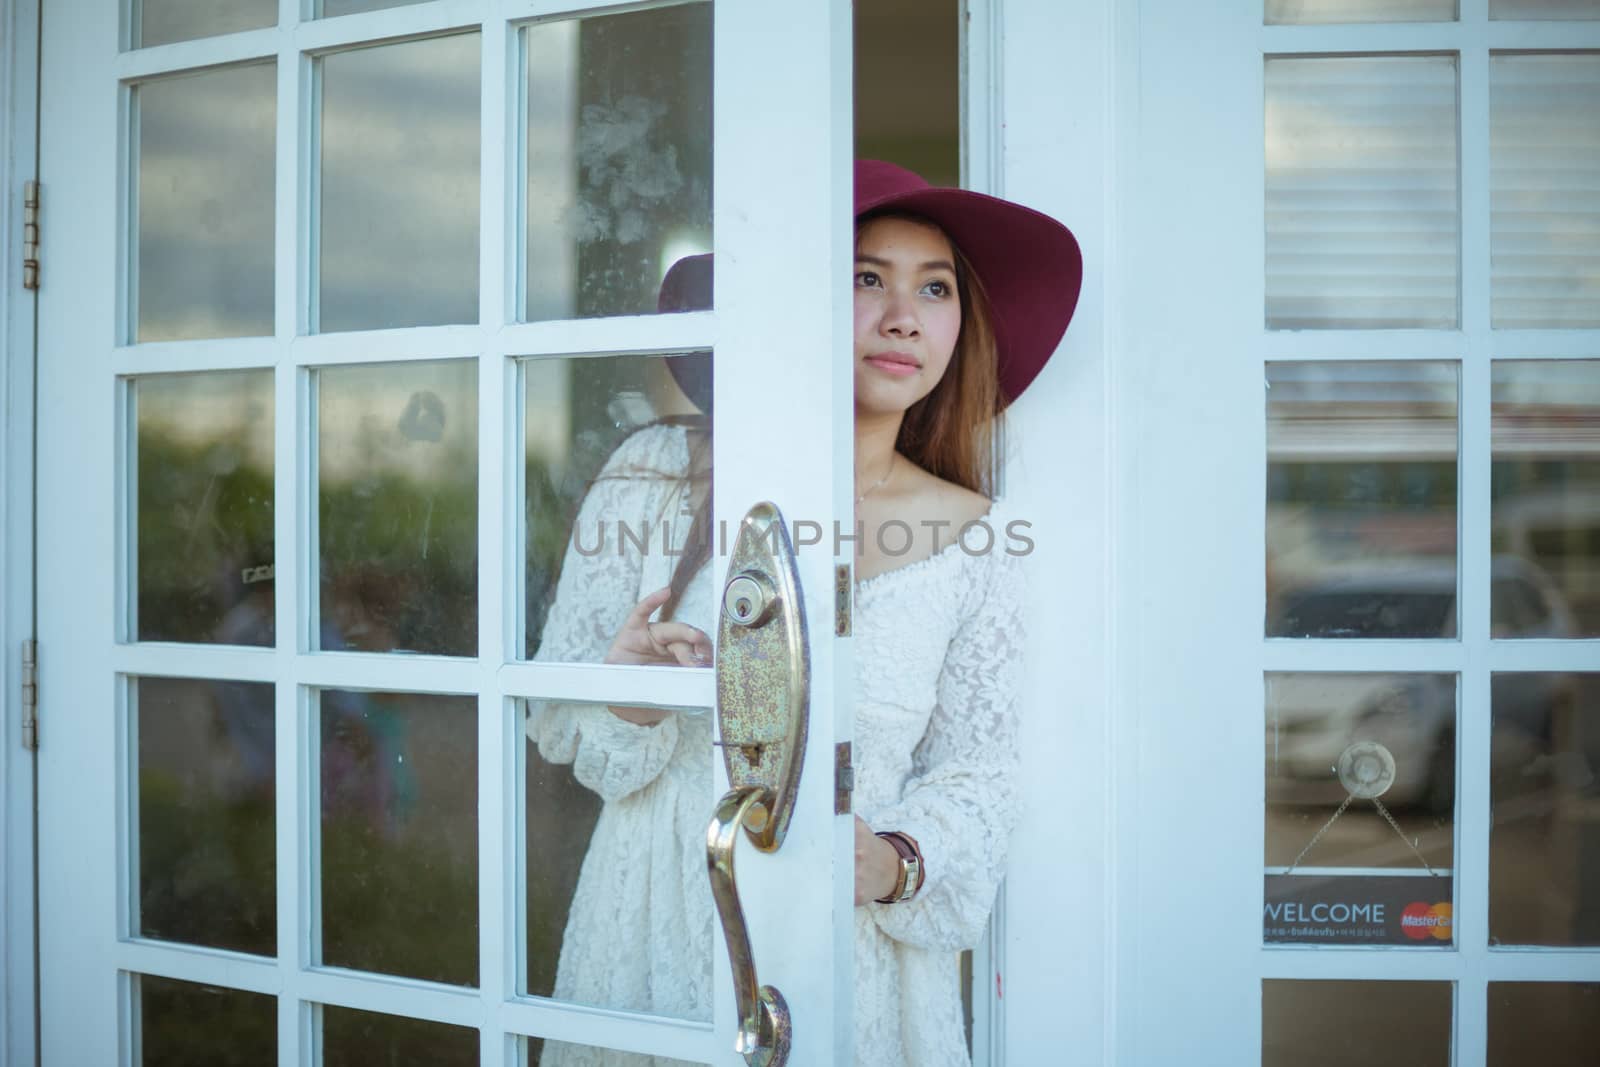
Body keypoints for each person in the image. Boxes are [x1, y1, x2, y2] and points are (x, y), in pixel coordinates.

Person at [527, 159, 1081, 1067]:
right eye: (866, 277)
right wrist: (621, 692)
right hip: (656, 922)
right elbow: (560, 716)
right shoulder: (656, 476)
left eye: (933, 288)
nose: (903, 315)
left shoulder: (981, 540)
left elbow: (980, 775)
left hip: (854, 954)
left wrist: (896, 859)